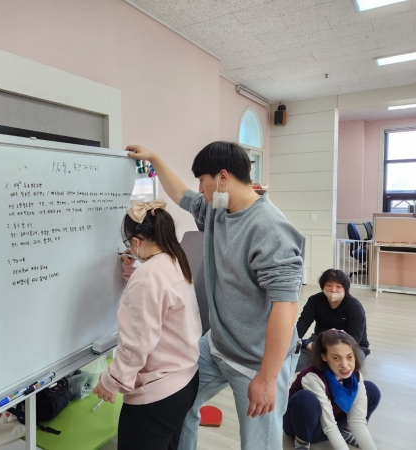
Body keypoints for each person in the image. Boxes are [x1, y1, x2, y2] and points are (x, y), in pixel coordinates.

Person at [125, 142, 305, 450]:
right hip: (217, 344)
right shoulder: (217, 210)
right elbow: (181, 194)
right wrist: (154, 158)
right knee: (178, 405)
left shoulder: (270, 230)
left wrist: (267, 377)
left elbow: (286, 307)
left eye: (202, 181)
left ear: (223, 178)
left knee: (258, 445)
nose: (200, 190)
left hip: (257, 359)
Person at [93, 199, 202, 450]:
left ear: (136, 242)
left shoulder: (148, 276)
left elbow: (137, 343)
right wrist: (131, 269)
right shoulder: (174, 258)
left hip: (158, 394)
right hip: (184, 380)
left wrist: (111, 381)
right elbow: (157, 298)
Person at [284, 329, 380, 449]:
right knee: (305, 399)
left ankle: (345, 433)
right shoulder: (312, 377)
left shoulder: (355, 375)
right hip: (303, 428)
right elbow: (329, 426)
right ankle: (301, 443)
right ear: (324, 357)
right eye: (336, 358)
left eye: (349, 357)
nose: (345, 364)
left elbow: (358, 421)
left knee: (371, 390)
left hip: (331, 424)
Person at [296, 269, 370, 372]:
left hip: (352, 345)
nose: (333, 290)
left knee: (343, 366)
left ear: (345, 288)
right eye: (329, 285)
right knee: (298, 363)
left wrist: (315, 347)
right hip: (321, 340)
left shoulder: (354, 306)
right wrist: (294, 340)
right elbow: (303, 323)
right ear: (323, 286)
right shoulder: (314, 301)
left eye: (338, 286)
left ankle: (319, 354)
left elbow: (355, 337)